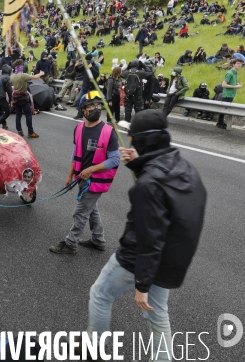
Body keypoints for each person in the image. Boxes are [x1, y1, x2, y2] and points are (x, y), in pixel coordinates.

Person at [87, 110, 206, 361]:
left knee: (100, 294)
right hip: (172, 259)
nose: (129, 143)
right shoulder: (184, 168)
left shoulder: (148, 185)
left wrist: (142, 284)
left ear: (140, 140)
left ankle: (93, 344)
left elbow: (149, 239)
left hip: (138, 259)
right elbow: (162, 193)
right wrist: (137, 163)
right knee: (157, 312)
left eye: (132, 138)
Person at [50, 91, 119, 254]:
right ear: (83, 110)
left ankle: (70, 243)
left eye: (97, 105)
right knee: (92, 209)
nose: (95, 108)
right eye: (90, 106)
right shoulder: (79, 127)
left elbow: (115, 160)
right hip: (81, 177)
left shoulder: (108, 132)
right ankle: (98, 240)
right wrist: (69, 176)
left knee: (80, 212)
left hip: (95, 181)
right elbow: (75, 153)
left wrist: (91, 170)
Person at [10, 59, 44, 138]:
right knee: (28, 115)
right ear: (21, 66)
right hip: (23, 98)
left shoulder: (12, 76)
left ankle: (20, 131)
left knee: (18, 115)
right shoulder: (23, 75)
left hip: (15, 98)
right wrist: (41, 73)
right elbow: (35, 77)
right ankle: (30, 132)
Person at [217, 58, 243, 129]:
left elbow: (231, 82)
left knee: (225, 109)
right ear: (233, 64)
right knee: (224, 109)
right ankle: (219, 123)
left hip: (231, 94)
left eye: (240, 63)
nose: (239, 65)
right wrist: (235, 86)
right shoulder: (230, 73)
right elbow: (223, 85)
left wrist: (237, 84)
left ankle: (221, 122)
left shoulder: (235, 72)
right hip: (227, 94)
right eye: (238, 63)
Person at [73, 54, 100, 119]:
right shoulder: (85, 65)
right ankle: (80, 113)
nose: (87, 62)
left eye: (88, 60)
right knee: (79, 100)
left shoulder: (95, 66)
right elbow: (78, 70)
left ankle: (90, 115)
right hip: (84, 87)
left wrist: (91, 68)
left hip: (91, 88)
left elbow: (96, 75)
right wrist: (76, 66)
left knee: (89, 102)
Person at [0, 64, 13, 130]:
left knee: (1, 111)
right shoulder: (7, 78)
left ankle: (4, 125)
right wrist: (10, 100)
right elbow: (9, 90)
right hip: (1, 96)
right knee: (8, 111)